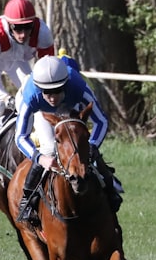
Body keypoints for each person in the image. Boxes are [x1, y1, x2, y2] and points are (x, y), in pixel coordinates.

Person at [14, 55, 121, 224]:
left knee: (81, 146)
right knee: (49, 147)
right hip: (41, 111)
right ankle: (27, 200)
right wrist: (40, 158)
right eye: (47, 92)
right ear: (39, 88)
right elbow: (20, 136)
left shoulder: (79, 88)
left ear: (65, 84)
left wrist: (92, 146)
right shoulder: (31, 96)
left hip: (70, 104)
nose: (52, 97)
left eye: (57, 90)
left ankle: (110, 189)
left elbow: (101, 121)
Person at [0, 0, 55, 151]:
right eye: (17, 28)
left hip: (17, 59)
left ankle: (44, 140)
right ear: (8, 25)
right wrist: (6, 98)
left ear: (34, 23)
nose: (23, 34)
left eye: (27, 27)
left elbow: (49, 70)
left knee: (37, 95)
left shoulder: (42, 33)